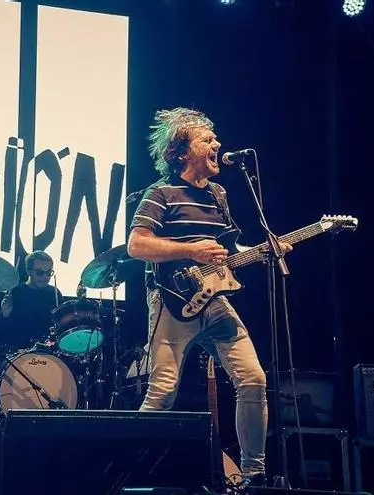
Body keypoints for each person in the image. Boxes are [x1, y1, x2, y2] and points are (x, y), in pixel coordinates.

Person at [127, 107, 292, 485]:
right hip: (171, 300)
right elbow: (137, 245)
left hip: (215, 300)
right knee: (163, 391)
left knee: (253, 378)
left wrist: (265, 250)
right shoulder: (161, 193)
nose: (217, 144)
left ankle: (253, 475)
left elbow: (230, 250)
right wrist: (191, 250)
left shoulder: (219, 194)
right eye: (207, 139)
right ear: (182, 151)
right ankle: (127, 472)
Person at [0, 251, 63, 349]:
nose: (45, 277)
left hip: (48, 350)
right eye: (40, 273)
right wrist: (4, 315)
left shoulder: (55, 293)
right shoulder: (15, 292)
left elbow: (62, 324)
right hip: (19, 350)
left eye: (48, 272)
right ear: (29, 271)